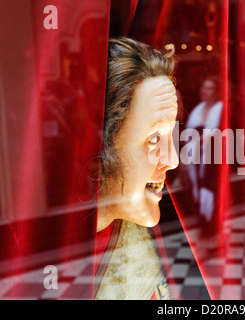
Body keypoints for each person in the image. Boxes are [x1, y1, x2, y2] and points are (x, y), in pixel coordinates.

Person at [94, 37, 179, 300]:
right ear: (102, 145)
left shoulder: (155, 250)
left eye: (170, 137)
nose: (173, 160)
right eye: (154, 138)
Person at [185, 76, 223, 242]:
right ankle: (205, 232)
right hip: (197, 160)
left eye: (210, 88)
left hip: (214, 160)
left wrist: (202, 140)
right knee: (199, 194)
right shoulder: (197, 111)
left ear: (216, 92)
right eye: (203, 88)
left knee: (212, 194)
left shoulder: (221, 111)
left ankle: (212, 233)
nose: (205, 92)